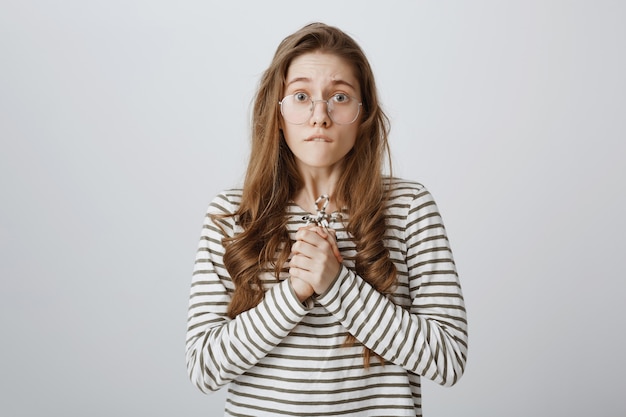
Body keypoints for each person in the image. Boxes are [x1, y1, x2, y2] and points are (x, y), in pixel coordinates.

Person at [186, 22, 468, 416]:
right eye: (301, 96)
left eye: (339, 96)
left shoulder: (409, 207)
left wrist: (337, 283)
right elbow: (204, 367)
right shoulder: (232, 215)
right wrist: (292, 294)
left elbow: (448, 358)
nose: (320, 115)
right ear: (278, 114)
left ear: (362, 114)